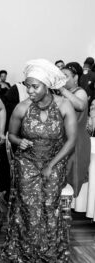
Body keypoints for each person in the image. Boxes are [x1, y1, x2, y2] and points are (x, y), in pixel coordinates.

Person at [0, 59, 77, 263]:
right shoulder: (22, 107)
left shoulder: (63, 105)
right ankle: (25, 254)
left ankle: (50, 255)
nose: (30, 91)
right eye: (27, 85)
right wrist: (18, 141)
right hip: (27, 161)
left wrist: (52, 165)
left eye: (35, 86)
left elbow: (71, 140)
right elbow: (10, 135)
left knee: (49, 204)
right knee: (28, 204)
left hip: (55, 159)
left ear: (47, 85)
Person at [59, 62, 90, 199]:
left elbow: (81, 105)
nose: (63, 79)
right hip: (65, 139)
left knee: (72, 172)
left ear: (76, 77)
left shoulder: (80, 92)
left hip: (77, 140)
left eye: (65, 76)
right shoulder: (65, 94)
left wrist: (62, 90)